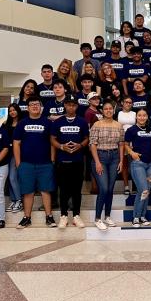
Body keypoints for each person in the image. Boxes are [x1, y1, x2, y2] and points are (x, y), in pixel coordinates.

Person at [13, 97, 56, 229]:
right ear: (27, 108)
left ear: (41, 107)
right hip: (26, 164)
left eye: (37, 104)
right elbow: (16, 143)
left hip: (45, 163)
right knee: (28, 192)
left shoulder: (48, 122)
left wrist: (52, 159)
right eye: (32, 104)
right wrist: (18, 163)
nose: (35, 106)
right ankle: (27, 218)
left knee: (46, 191)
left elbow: (52, 142)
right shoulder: (22, 123)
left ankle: (49, 217)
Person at [51, 95, 89, 229]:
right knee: (63, 189)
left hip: (78, 160)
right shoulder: (58, 122)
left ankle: (76, 216)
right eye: (68, 104)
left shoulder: (82, 122)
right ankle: (63, 215)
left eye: (73, 105)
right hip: (62, 161)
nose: (71, 107)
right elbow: (53, 139)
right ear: (65, 106)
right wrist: (62, 147)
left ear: (77, 106)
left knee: (76, 189)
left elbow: (86, 138)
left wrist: (80, 145)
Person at [89, 100, 125, 230]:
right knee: (103, 188)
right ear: (102, 111)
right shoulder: (96, 125)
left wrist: (121, 161)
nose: (108, 110)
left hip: (115, 157)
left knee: (110, 189)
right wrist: (97, 162)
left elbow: (121, 144)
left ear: (113, 110)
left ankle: (107, 216)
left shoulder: (119, 125)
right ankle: (97, 218)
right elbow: (92, 144)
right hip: (101, 157)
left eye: (110, 108)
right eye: (106, 109)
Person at [125, 109, 151, 227]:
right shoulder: (131, 130)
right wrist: (131, 153)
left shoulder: (150, 130)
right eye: (139, 115)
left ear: (147, 117)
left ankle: (142, 216)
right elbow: (125, 144)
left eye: (144, 115)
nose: (142, 117)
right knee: (143, 190)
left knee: (146, 192)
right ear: (136, 117)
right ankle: (136, 217)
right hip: (138, 164)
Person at [3, 103, 23, 213]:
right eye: (10, 111)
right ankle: (14, 200)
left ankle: (19, 200)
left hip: (17, 153)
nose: (12, 112)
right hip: (7, 154)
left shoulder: (22, 123)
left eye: (14, 110)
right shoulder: (6, 124)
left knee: (12, 177)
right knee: (9, 179)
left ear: (18, 111)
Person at [117, 96, 136, 195]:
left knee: (134, 163)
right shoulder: (118, 113)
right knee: (124, 164)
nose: (128, 104)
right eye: (126, 102)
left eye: (130, 102)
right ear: (122, 103)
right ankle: (126, 186)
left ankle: (136, 186)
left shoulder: (134, 113)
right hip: (121, 140)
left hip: (133, 141)